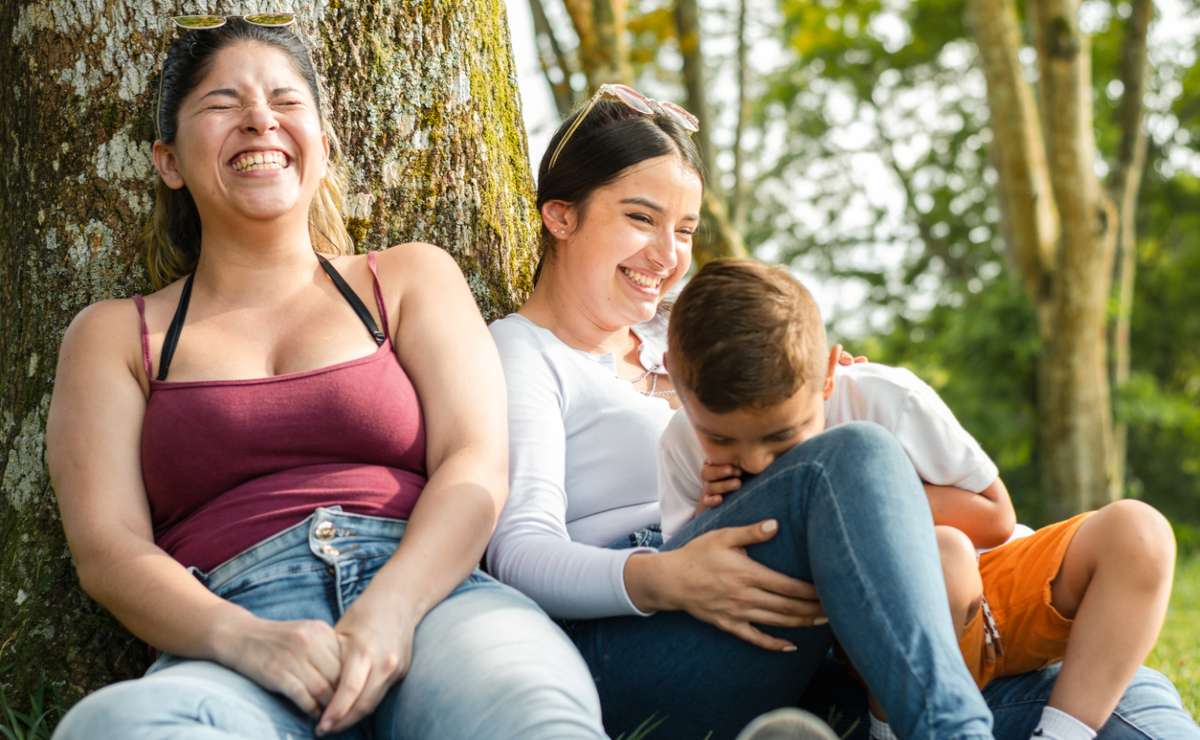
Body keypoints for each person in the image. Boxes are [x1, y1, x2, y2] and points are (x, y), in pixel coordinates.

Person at [46, 16, 604, 739]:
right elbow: (108, 549)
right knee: (114, 726)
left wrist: (392, 608)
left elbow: (475, 464)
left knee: (530, 709)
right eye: (221, 104)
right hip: (233, 625)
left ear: (323, 140)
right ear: (168, 161)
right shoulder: (117, 335)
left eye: (285, 101)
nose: (258, 120)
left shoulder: (407, 279)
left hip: (434, 600)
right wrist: (240, 637)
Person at [487, 82, 995, 739]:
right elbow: (518, 553)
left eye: (686, 229)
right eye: (640, 219)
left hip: (791, 616)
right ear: (561, 215)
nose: (668, 254)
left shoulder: (693, 336)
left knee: (1088, 696)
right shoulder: (524, 351)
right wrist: (665, 577)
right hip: (634, 631)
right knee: (854, 454)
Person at [657, 258, 1197, 740]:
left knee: (1138, 531)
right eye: (723, 439)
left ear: (828, 374)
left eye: (782, 439)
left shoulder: (886, 397)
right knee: (942, 559)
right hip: (880, 635)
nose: (755, 462)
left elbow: (994, 515)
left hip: (1000, 596)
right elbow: (702, 592)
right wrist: (718, 514)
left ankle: (1062, 734)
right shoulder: (682, 447)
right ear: (676, 387)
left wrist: (865, 503)